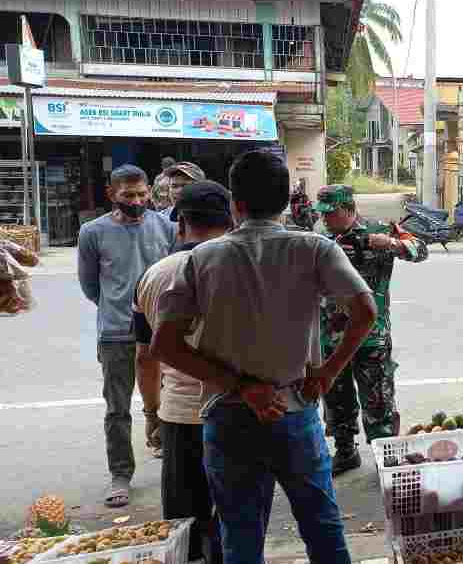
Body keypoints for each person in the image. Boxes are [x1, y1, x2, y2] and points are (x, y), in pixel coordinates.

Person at [151, 150, 376, 564]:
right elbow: (366, 311)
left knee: (240, 533)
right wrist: (327, 374)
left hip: (230, 415)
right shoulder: (316, 249)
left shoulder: (201, 258)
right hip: (296, 409)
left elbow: (164, 345)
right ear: (288, 202)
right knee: (322, 526)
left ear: (235, 204)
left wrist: (242, 387)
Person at [133, 181, 232, 564]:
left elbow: (145, 357)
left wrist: (150, 413)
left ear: (181, 223)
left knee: (185, 527)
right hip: (236, 409)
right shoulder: (246, 267)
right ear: (232, 218)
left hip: (180, 415)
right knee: (236, 519)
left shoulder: (155, 275)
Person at [313, 184, 429, 474]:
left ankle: (384, 453)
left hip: (371, 334)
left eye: (332, 213)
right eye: (323, 214)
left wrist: (391, 244)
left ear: (350, 209)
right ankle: (345, 450)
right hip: (331, 334)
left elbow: (420, 249)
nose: (326, 219)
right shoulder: (320, 237)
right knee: (336, 397)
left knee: (378, 397)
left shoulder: (378, 230)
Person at [77, 164, 175, 508]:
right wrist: (117, 307)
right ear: (111, 195)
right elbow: (91, 286)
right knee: (117, 409)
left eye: (141, 194)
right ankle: (120, 473)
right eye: (127, 195)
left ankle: (172, 463)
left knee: (171, 403)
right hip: (117, 333)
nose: (136, 201)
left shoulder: (166, 226)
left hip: (163, 333)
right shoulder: (92, 232)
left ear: (149, 191)